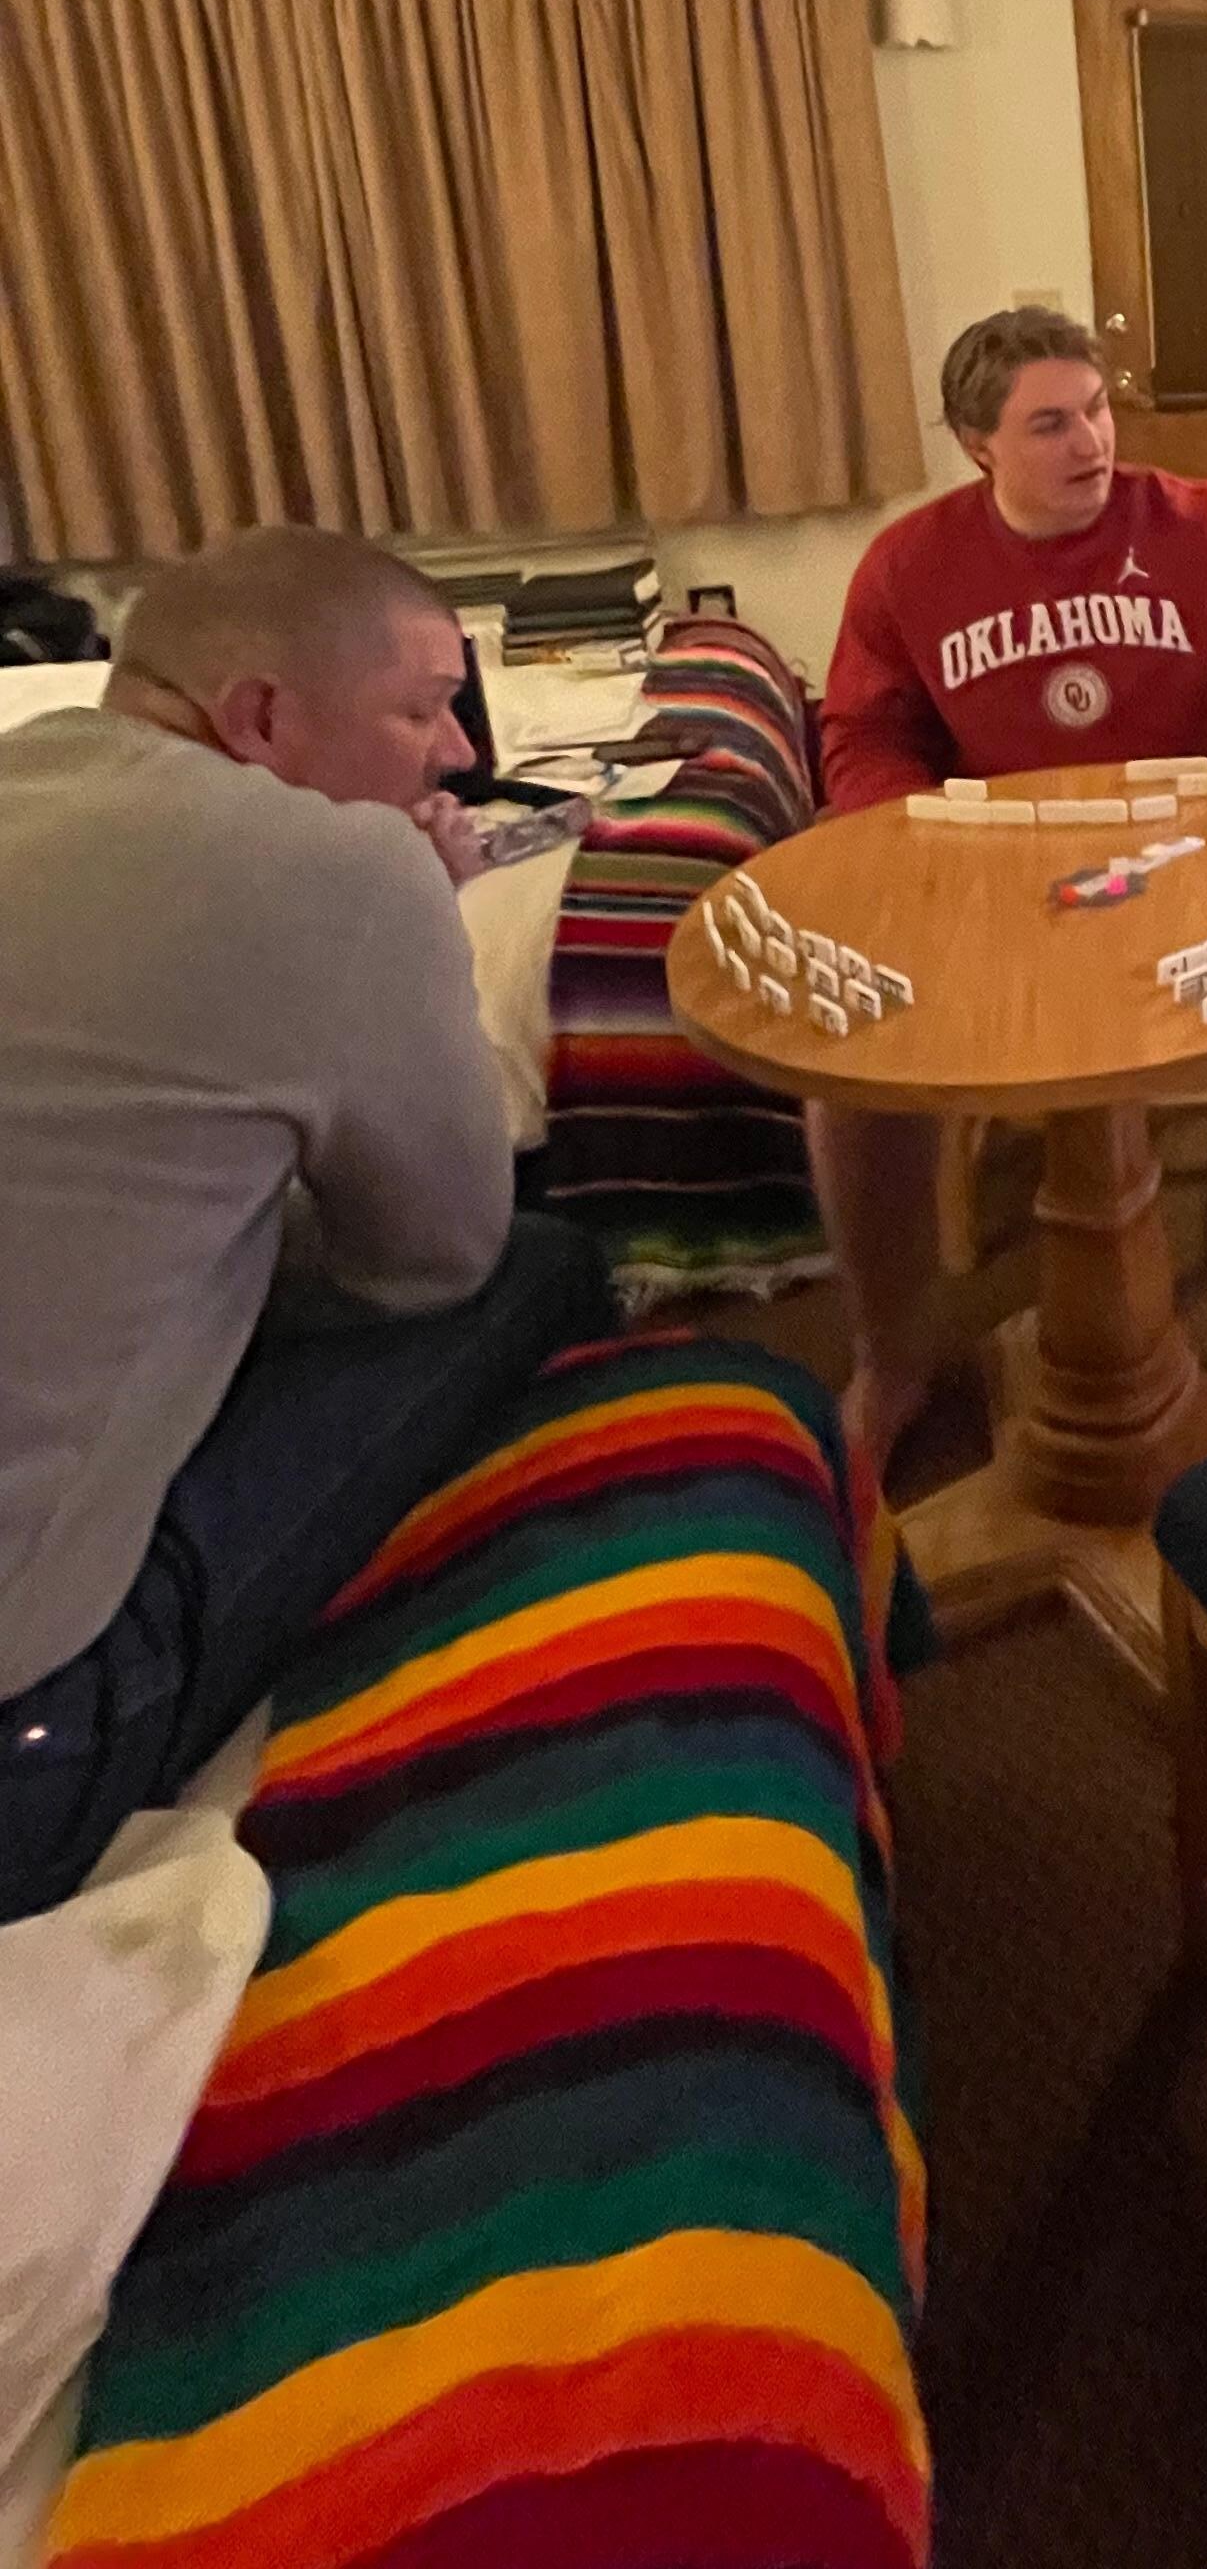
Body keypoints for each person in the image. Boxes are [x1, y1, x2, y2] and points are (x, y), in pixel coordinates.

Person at [0, 529, 607, 1925]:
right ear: (260, 717)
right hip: (28, 1752)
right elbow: (430, 1258)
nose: (458, 752)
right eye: (421, 709)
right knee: (539, 1260)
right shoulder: (336, 869)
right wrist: (428, 930)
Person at [813, 307, 1207, 1465]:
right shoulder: (909, 565)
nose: (1093, 443)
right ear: (978, 444)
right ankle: (895, 1350)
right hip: (1002, 877)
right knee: (845, 1066)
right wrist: (904, 838)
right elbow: (863, 737)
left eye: (1099, 409)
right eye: (1051, 424)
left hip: (1200, 852)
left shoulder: (1199, 523)